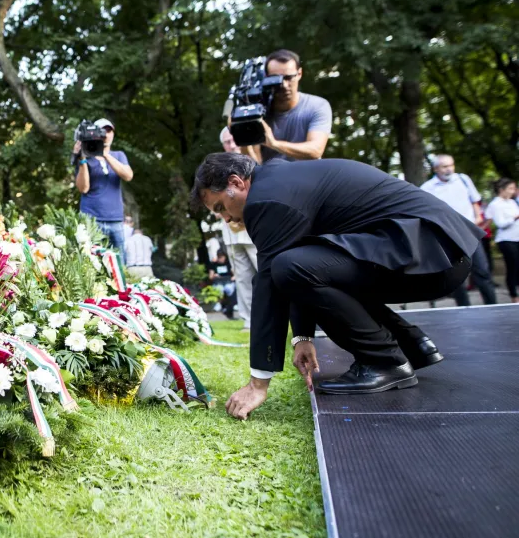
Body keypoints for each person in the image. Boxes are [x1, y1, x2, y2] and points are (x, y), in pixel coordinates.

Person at [191, 153, 483, 420]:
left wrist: (258, 383)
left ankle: (385, 362)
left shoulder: (264, 200)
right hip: (440, 250)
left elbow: (272, 280)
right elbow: (304, 264)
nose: (226, 218)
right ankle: (411, 345)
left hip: (432, 253)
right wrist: (302, 336)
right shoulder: (278, 180)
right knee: (297, 265)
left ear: (236, 182)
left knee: (287, 267)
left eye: (221, 207)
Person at [420, 154, 497, 306]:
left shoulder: (463, 179)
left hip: (469, 233)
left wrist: (477, 216)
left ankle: (493, 305)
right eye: (444, 166)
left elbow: (475, 200)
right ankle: (463, 309)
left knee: (482, 271)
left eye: (451, 165)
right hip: (448, 236)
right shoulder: (427, 188)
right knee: (456, 276)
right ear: (436, 169)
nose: (449, 169)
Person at [236, 49, 332, 164]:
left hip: (306, 174)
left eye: (288, 77)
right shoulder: (258, 109)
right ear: (266, 78)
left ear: (299, 73)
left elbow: (315, 151)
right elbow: (254, 164)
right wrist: (242, 135)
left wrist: (274, 144)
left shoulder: (317, 106)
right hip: (270, 174)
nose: (284, 85)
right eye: (276, 79)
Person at [73, 118, 134, 261]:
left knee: (119, 264)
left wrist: (104, 154)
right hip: (91, 219)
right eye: (102, 131)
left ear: (113, 134)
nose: (106, 134)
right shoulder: (86, 156)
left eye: (109, 130)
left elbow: (128, 176)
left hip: (115, 219)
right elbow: (83, 188)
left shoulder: (119, 155)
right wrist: (82, 159)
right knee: (91, 263)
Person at [219, 127, 258, 332]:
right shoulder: (218, 168)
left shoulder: (252, 160)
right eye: (227, 141)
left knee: (267, 271)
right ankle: (249, 320)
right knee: (242, 278)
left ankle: (292, 315)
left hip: (253, 227)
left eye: (233, 139)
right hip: (231, 233)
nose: (231, 144)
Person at [486, 178, 519, 303]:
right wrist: (514, 218)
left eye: (513, 188)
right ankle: (514, 296)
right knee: (513, 267)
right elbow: (500, 224)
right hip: (506, 240)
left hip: (517, 238)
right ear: (501, 189)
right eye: (510, 188)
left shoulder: (512, 202)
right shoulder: (495, 204)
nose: (513, 191)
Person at [206, 250, 237, 319]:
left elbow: (234, 273)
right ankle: (220, 304)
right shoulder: (214, 264)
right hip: (218, 282)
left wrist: (233, 277)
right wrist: (215, 276)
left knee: (230, 289)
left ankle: (232, 305)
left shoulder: (228, 263)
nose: (221, 259)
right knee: (219, 290)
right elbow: (210, 276)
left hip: (228, 281)